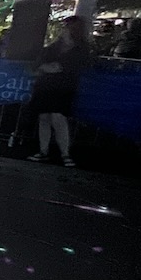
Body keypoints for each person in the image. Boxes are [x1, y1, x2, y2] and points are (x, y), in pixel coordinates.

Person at [27, 16, 91, 168]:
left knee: (57, 117)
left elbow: (60, 67)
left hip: (62, 88)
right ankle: (44, 151)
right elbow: (41, 65)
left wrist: (46, 68)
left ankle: (64, 153)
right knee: (44, 117)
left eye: (68, 27)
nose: (64, 30)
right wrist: (45, 68)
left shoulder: (79, 49)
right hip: (47, 86)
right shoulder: (55, 47)